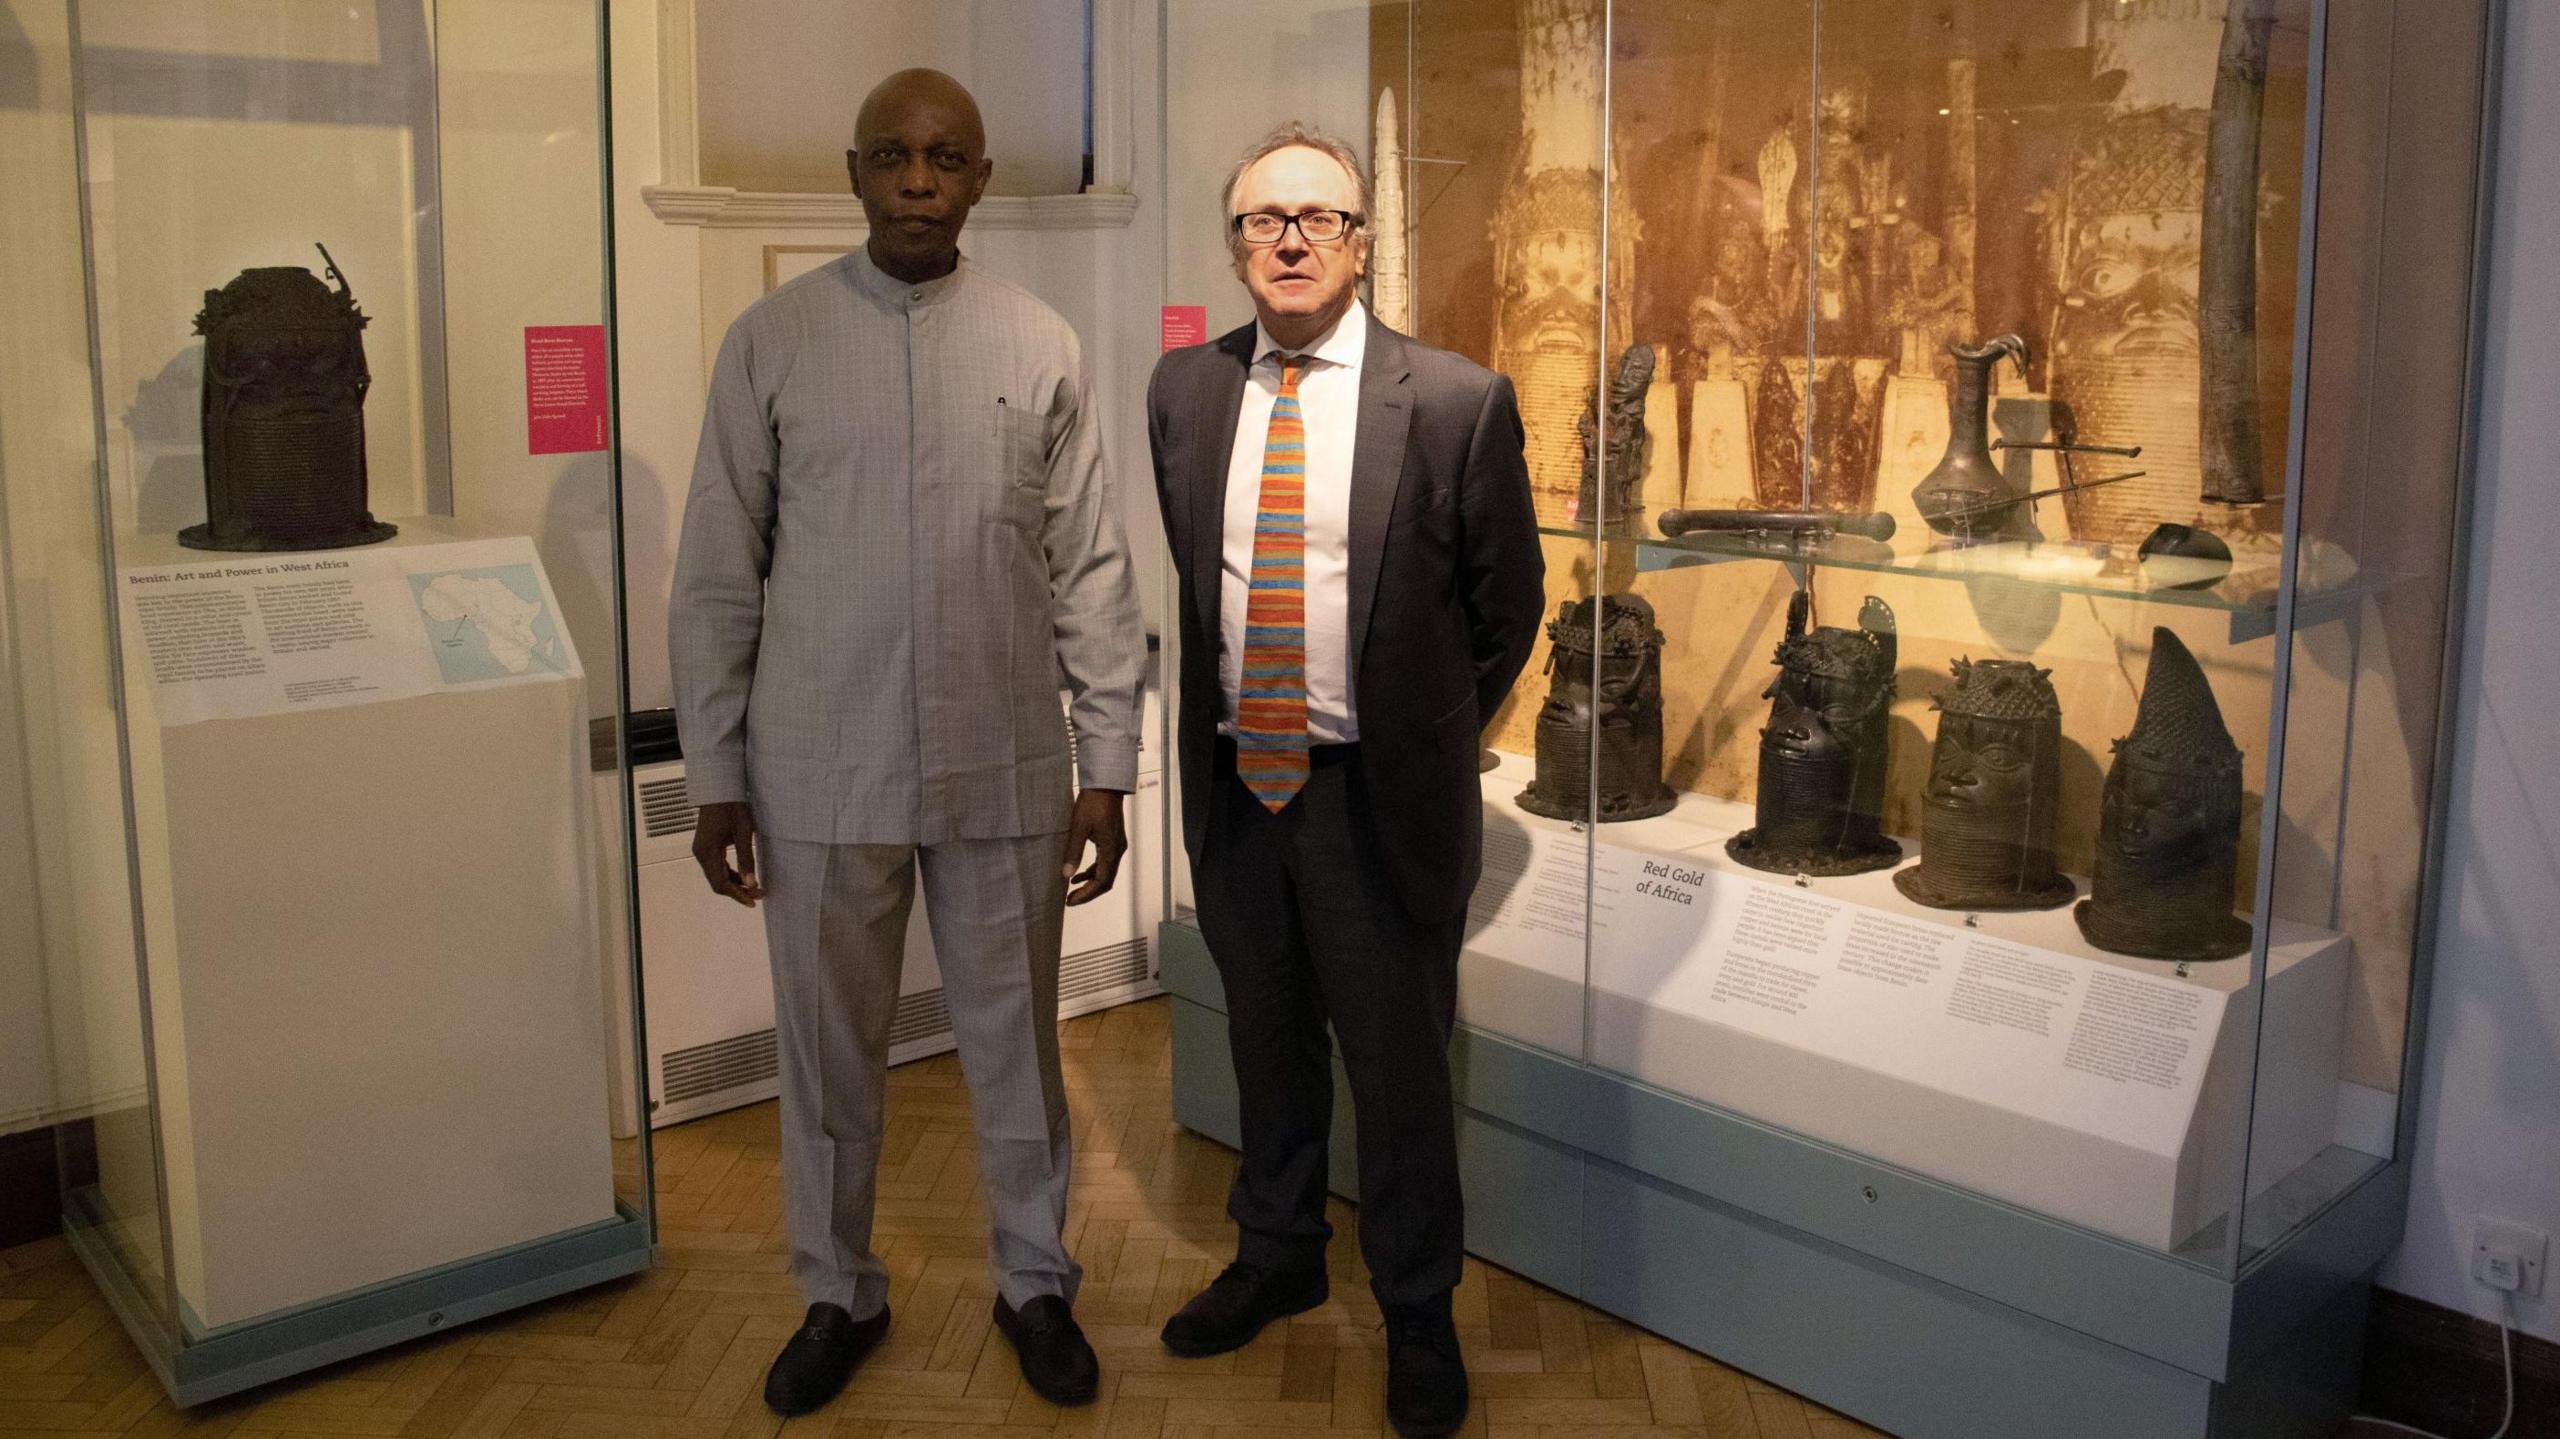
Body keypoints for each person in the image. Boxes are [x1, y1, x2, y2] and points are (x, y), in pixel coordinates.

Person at [668, 68, 1145, 1417]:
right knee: (827, 1058)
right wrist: (715, 778)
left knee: (1015, 1048)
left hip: (1005, 767)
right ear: (856, 172)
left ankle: (1035, 1279)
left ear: (984, 177)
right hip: (820, 771)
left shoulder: (1038, 343)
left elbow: (1093, 570)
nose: (921, 182)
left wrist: (1105, 763)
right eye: (894, 157)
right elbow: (716, 574)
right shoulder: (771, 343)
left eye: (947, 158)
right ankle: (836, 1293)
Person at [1145, 122, 1545, 1437]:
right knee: (1264, 1042)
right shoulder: (1183, 391)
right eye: (1268, 220)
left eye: (1322, 218)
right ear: (1237, 243)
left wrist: (1426, 738)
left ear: (1364, 243)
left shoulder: (1456, 400)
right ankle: (1276, 1255)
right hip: (1238, 785)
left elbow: (1509, 609)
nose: (1294, 240)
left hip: (1378, 802)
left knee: (1399, 1071)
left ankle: (1418, 1312)